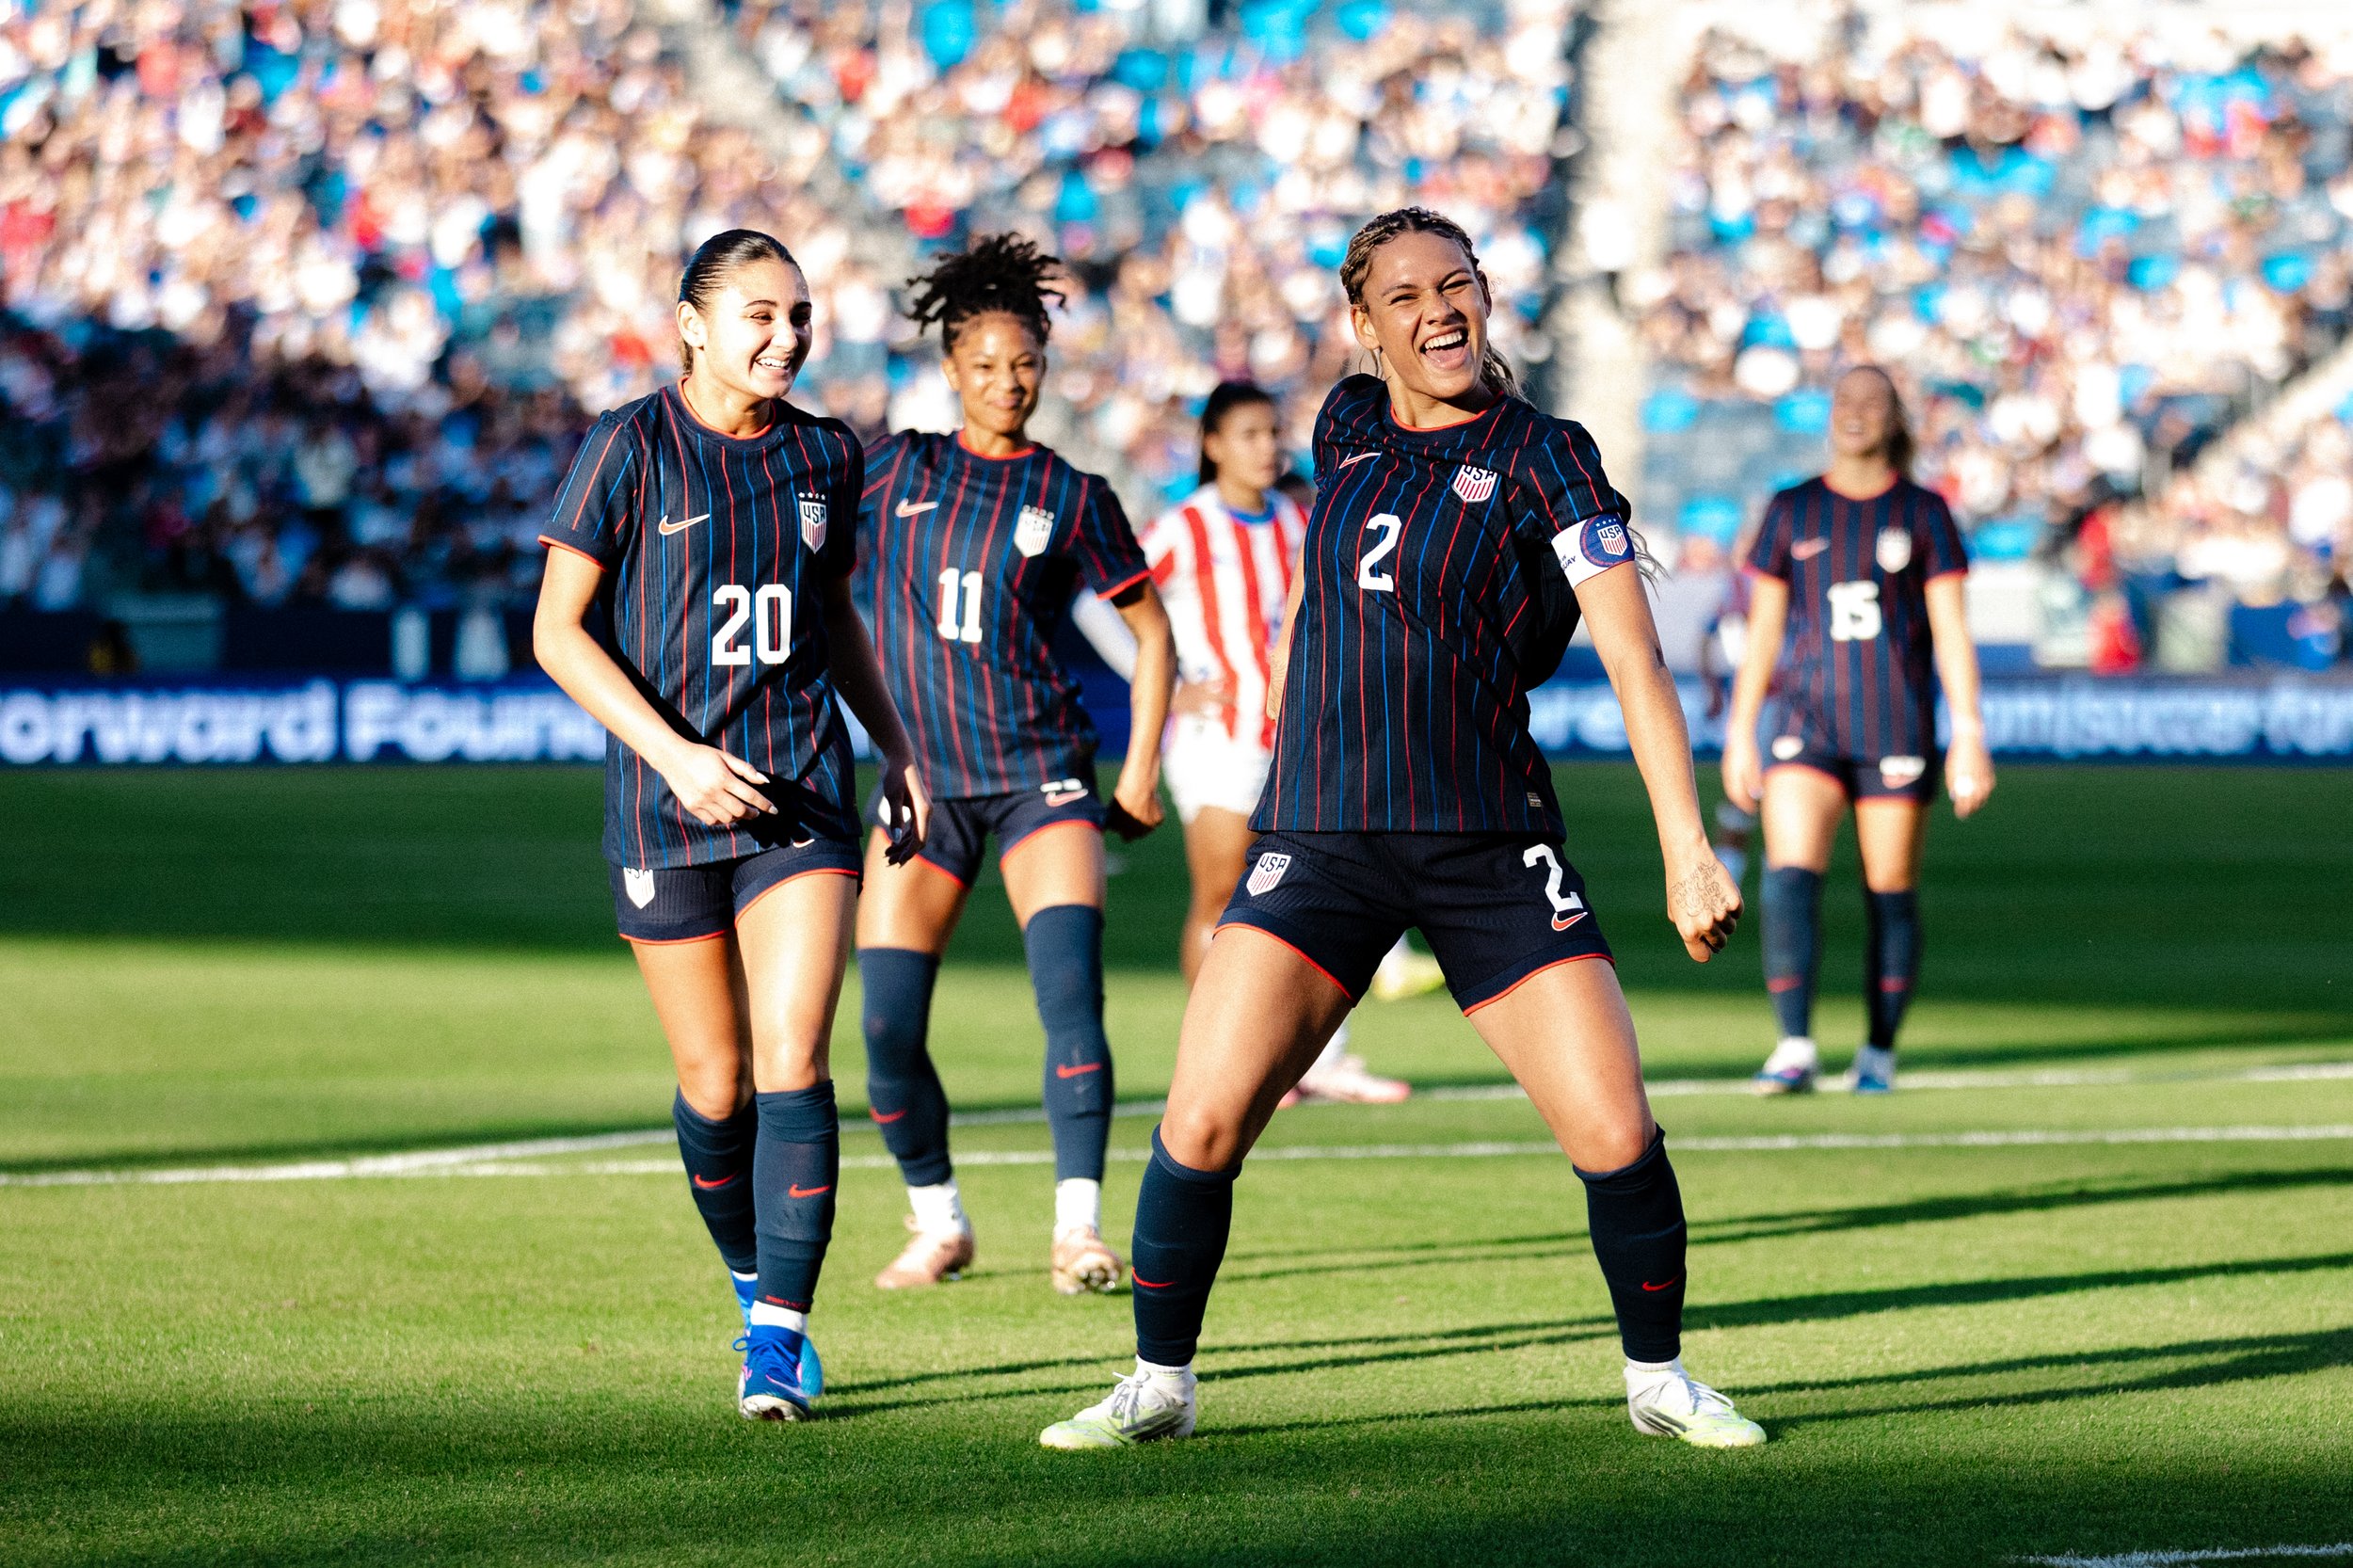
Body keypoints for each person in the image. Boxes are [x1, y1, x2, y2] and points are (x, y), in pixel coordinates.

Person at [1040, 207, 1766, 1451]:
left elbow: (1635, 660)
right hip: (1320, 836)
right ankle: (1158, 1383)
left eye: (1457, 283)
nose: (1439, 310)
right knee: (1200, 1120)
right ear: (1363, 323)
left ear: (1485, 293)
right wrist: (1284, 685)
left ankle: (1659, 1380)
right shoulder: (1345, 424)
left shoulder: (1548, 454)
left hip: (1486, 839)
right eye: (1407, 294)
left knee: (1614, 1128)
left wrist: (1686, 847)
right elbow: (1320, 585)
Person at [532, 229, 931, 1422]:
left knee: (794, 1059)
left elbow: (832, 615)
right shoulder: (628, 445)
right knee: (716, 1088)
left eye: (799, 315)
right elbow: (556, 632)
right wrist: (676, 757)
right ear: (692, 325)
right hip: (662, 806)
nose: (785, 336)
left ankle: (778, 1339)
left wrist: (897, 746)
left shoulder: (825, 453)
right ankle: (756, 1284)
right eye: (760, 313)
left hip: (801, 796)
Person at [851, 233, 1177, 1295]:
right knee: (886, 1027)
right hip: (922, 788)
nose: (1007, 381)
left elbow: (1153, 634)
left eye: (1025, 362)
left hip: (1044, 778)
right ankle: (938, 1220)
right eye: (986, 364)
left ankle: (1078, 1231)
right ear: (951, 368)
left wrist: (1139, 771)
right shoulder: (894, 468)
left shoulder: (1072, 494)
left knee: (1070, 1001)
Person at [1721, 365, 1993, 1096]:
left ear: (1894, 418)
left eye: (1873, 403)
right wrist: (1741, 731)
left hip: (1895, 724)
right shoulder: (1791, 509)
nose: (1856, 412)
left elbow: (1952, 631)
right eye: (1845, 400)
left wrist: (1969, 733)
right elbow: (1762, 631)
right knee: (1788, 876)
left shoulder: (1925, 513)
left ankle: (1877, 1053)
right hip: (1803, 721)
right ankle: (1794, 1046)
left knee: (1890, 889)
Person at [1143, 381, 1410, 1106]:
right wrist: (1164, 684)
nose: (1267, 448)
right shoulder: (1185, 525)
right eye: (1250, 434)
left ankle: (1320, 1059)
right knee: (1222, 893)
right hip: (1217, 738)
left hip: (1297, 733)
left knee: (1320, 889)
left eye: (1273, 433)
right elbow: (1105, 602)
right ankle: (1217, 1064)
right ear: (1213, 445)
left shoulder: (1298, 518)